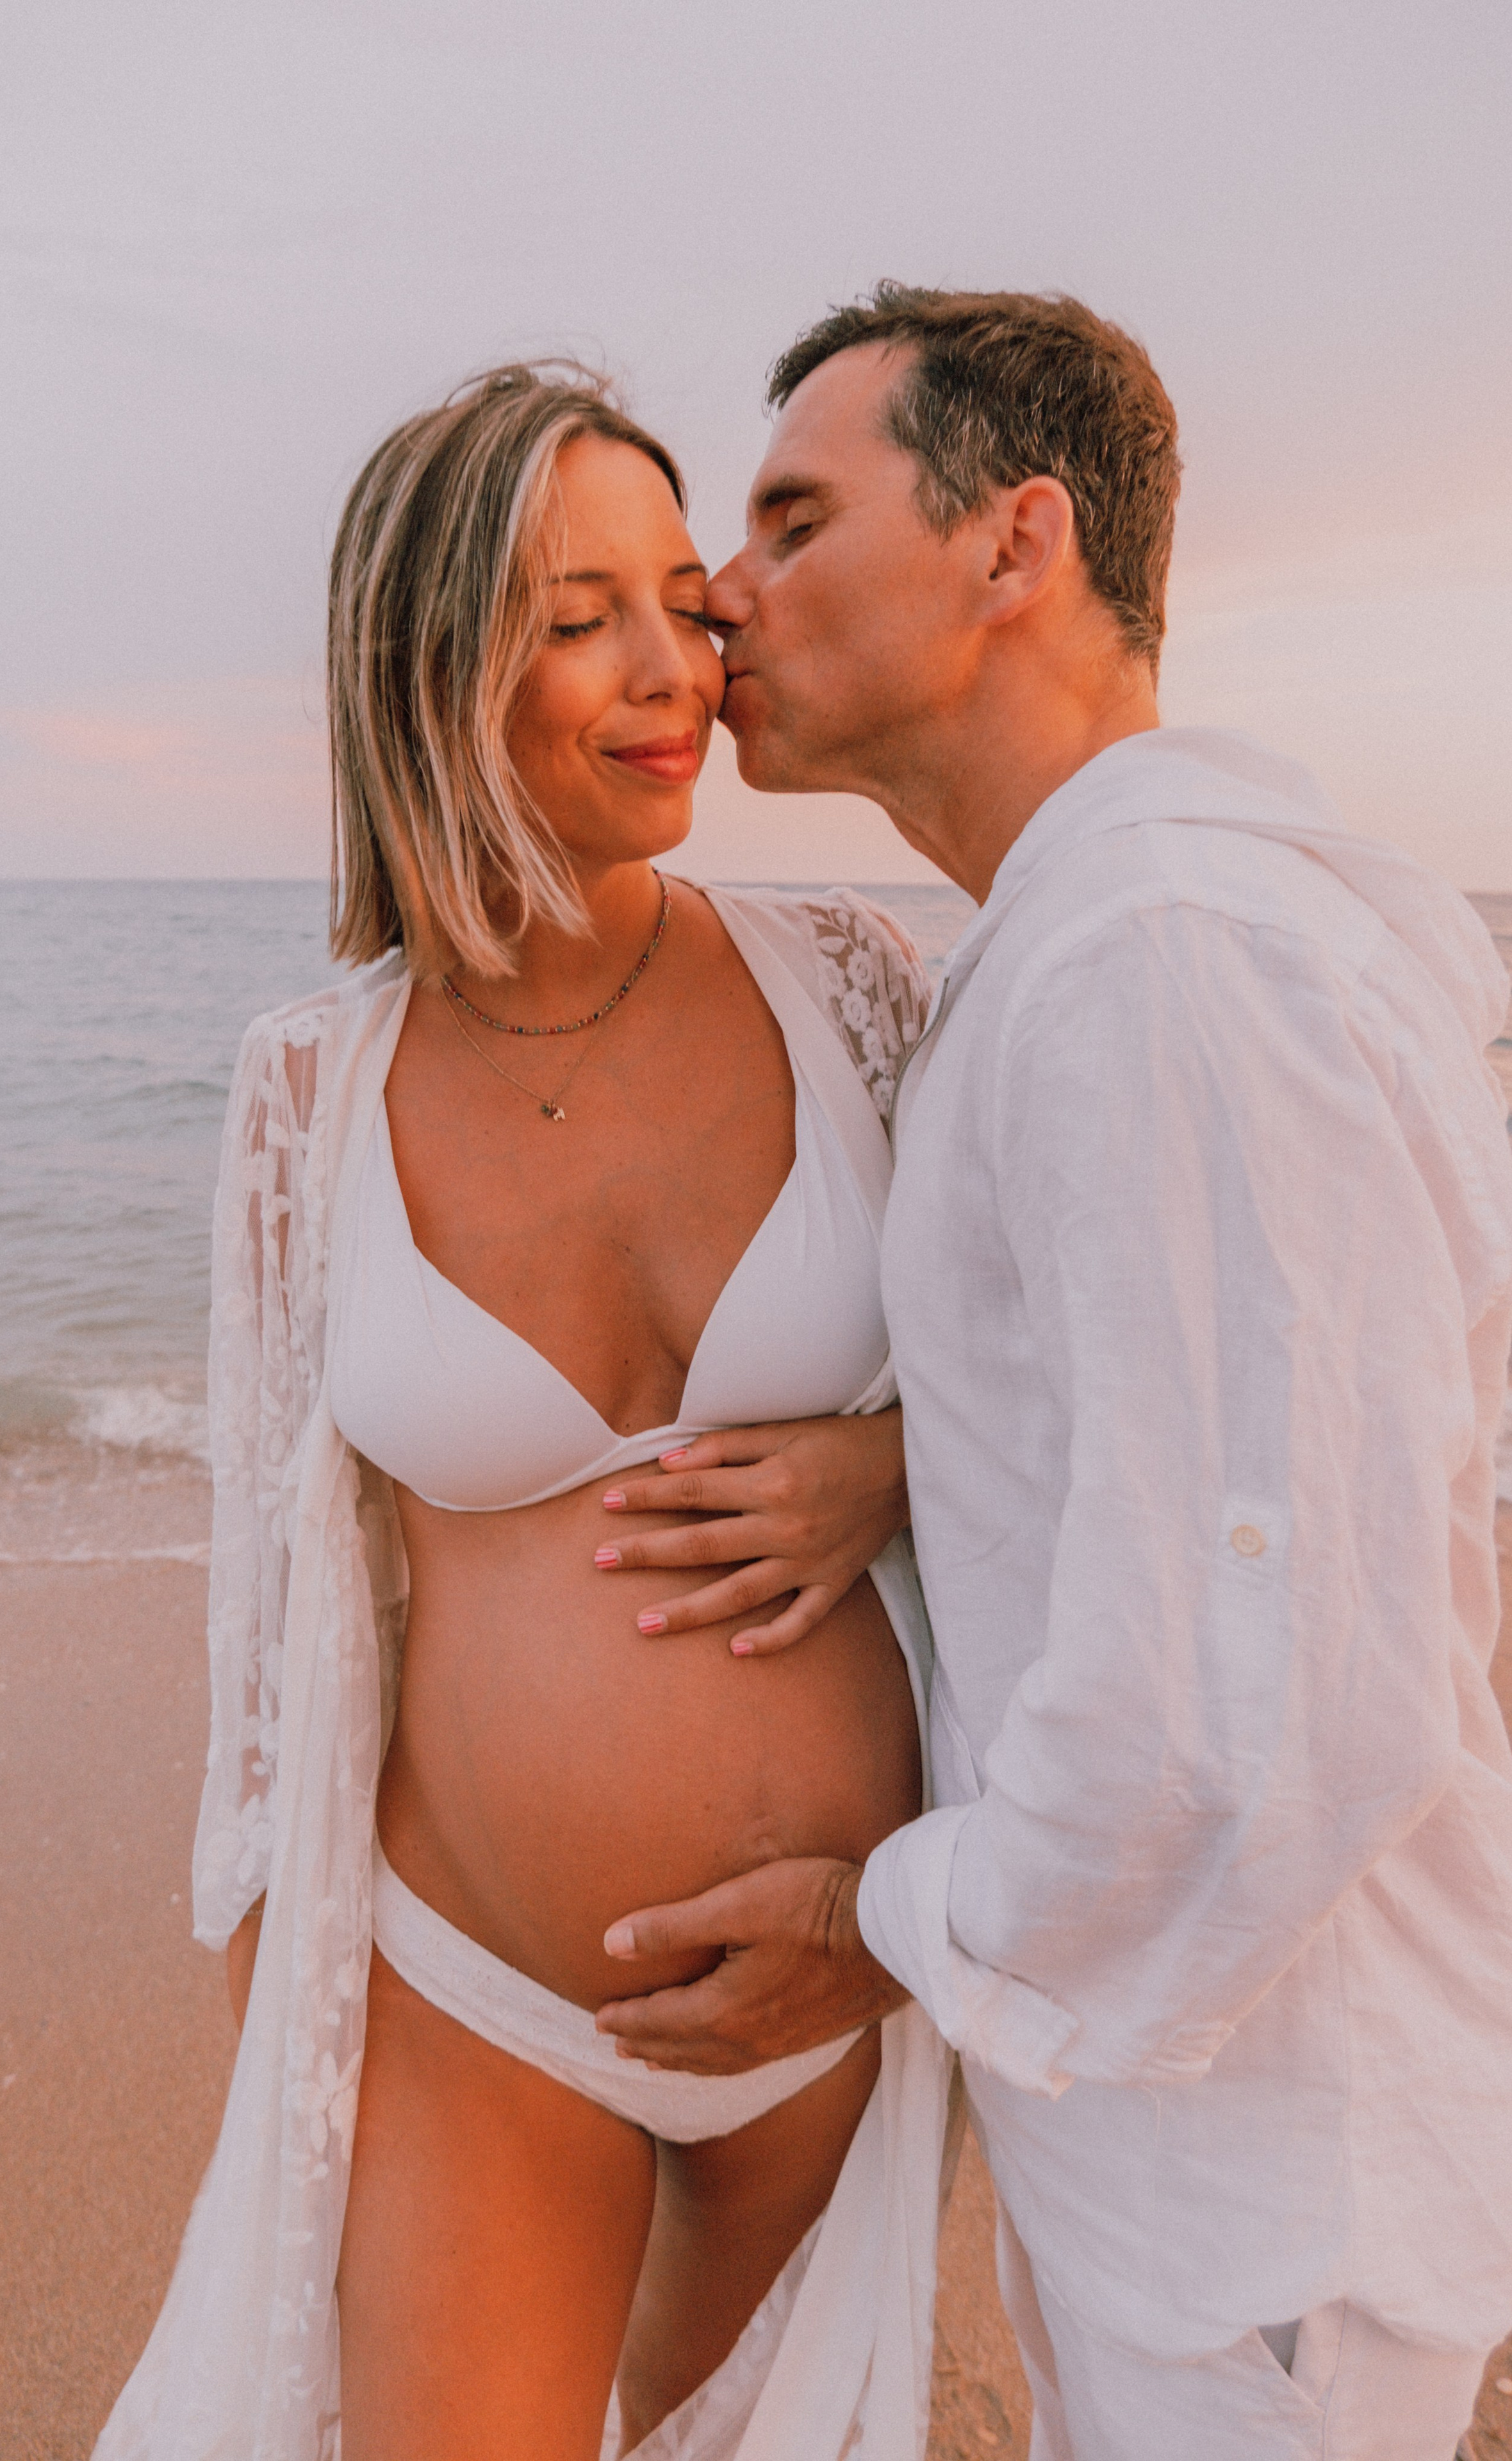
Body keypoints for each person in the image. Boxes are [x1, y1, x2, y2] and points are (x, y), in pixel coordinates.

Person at [595, 288, 1512, 2458]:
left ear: (1019, 548)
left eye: (796, 519)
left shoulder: (1166, 961)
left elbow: (1252, 1690)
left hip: (1263, 2198)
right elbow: (1258, 1444)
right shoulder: (1122, 939)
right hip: (1211, 2151)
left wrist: (877, 1919)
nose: (726, 593)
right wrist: (910, 1461)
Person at [93, 363, 957, 2461]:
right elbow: (273, 1642)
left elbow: (1077, 1391)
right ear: (425, 670)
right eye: (581, 621)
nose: (678, 670)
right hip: (473, 1997)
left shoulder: (859, 984)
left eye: (683, 596)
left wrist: (895, 1457)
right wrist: (282, 2088)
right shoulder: (313, 1084)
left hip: (843, 1981)